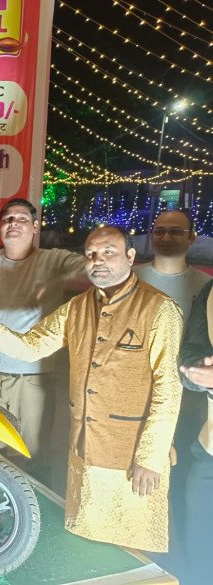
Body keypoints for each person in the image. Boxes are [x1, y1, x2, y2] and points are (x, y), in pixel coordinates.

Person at [0, 225, 183, 552]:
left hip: (132, 452)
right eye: (91, 254)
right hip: (85, 444)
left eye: (108, 252)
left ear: (130, 256)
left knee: (131, 544)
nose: (98, 260)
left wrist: (151, 457)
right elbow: (33, 346)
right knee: (85, 540)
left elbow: (169, 389)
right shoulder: (77, 306)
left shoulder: (159, 309)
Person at [0, 198, 86, 481]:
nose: (13, 224)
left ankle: (31, 505)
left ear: (35, 227)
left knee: (29, 454)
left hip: (31, 376)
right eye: (8, 219)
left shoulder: (52, 260)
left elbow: (93, 271)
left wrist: (59, 282)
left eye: (22, 219)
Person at [133, 209, 210, 570]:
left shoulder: (202, 285)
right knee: (138, 478)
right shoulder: (131, 279)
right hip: (137, 397)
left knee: (180, 481)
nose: (166, 237)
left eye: (176, 231)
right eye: (160, 231)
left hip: (188, 402)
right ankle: (145, 559)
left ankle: (177, 559)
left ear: (191, 237)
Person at [178, 279, 213, 585]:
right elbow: (190, 353)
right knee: (199, 564)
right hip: (209, 452)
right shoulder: (210, 291)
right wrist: (197, 371)